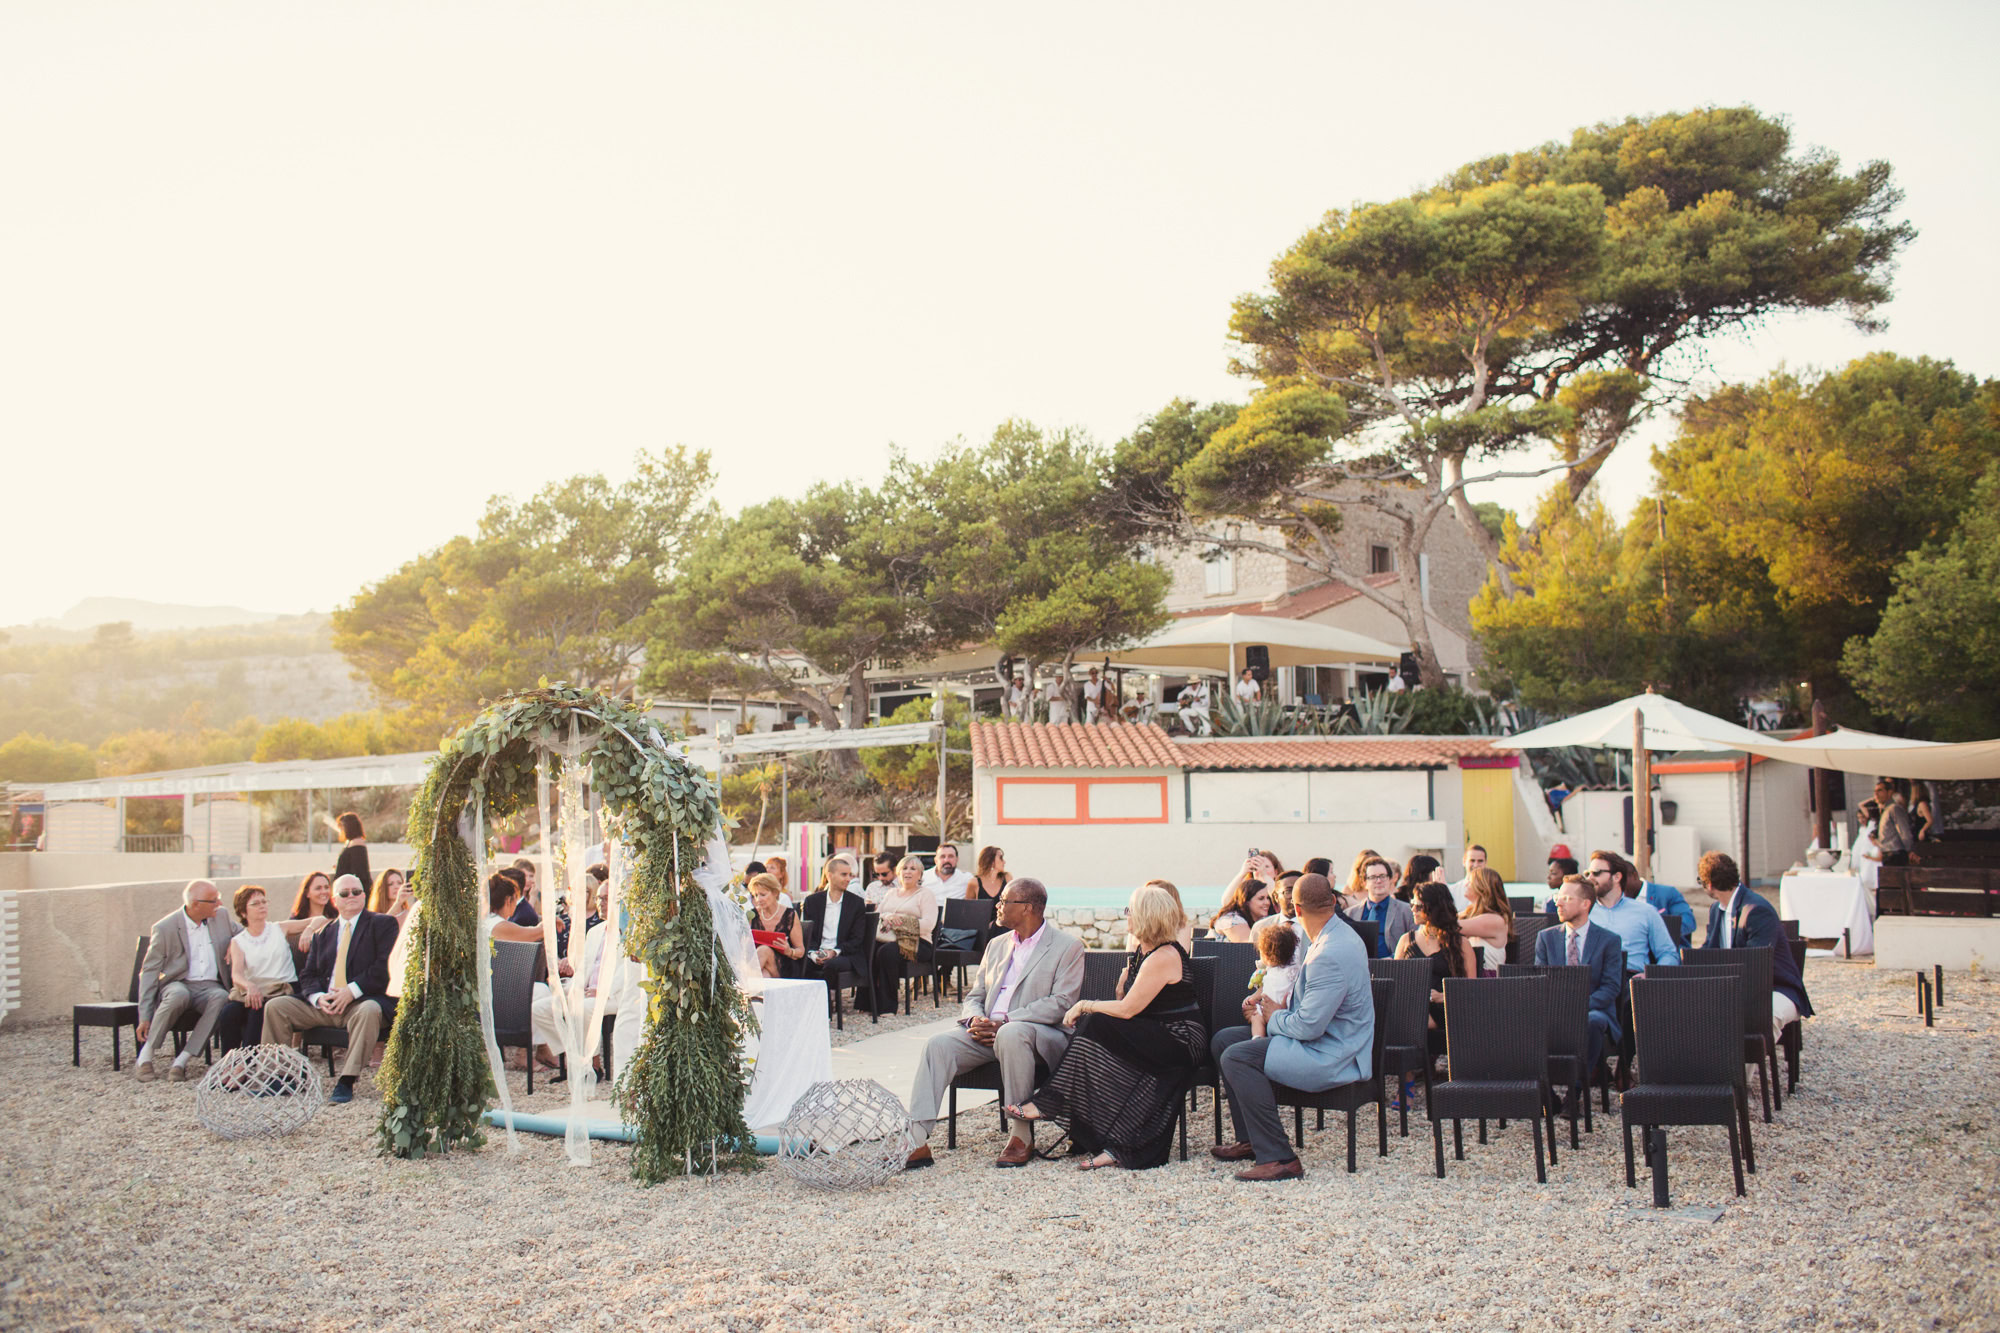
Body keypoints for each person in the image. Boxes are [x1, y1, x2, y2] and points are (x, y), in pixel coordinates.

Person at [1007, 884, 1207, 1170]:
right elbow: (1127, 1003)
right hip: (1153, 1030)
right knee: (1096, 1036)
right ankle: (1094, 1134)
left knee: (1095, 1021)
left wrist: (1085, 1004)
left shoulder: (1164, 956)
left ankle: (1050, 1102)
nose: (1126, 916)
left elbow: (1127, 1010)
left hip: (1180, 1040)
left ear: (1146, 916)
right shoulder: (1143, 951)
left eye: (1130, 911)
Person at [904, 878, 1085, 1170]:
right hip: (987, 1034)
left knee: (1012, 1034)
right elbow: (975, 995)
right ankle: (916, 1140)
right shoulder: (996, 944)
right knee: (938, 1044)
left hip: (1037, 1036)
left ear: (1027, 908)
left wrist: (1005, 1021)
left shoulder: (1067, 947)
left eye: (1003, 901)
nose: (997, 906)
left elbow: (1062, 1003)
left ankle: (1020, 1135)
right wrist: (975, 1018)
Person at [1209, 874, 1373, 1182]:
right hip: (1321, 1037)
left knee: (1237, 1057)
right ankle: (1251, 1139)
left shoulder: (1330, 953)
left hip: (1331, 1052)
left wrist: (1272, 1016)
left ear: (1296, 909)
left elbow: (1309, 1026)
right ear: (1333, 902)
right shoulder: (1331, 934)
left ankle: (1280, 1157)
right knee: (1224, 1041)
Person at [258, 874, 400, 1104]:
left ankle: (347, 1080)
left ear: (364, 895)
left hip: (361, 1002)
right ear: (335, 900)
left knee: (369, 1010)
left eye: (356, 891)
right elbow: (308, 975)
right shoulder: (323, 933)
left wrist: (351, 991)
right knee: (276, 1006)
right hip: (326, 1004)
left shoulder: (382, 924)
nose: (351, 896)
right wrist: (317, 997)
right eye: (344, 893)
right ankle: (279, 1078)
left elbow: (383, 967)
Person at [133, 880, 239, 1082]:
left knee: (222, 997)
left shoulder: (221, 916)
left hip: (210, 986)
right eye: (213, 900)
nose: (219, 903)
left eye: (219, 898)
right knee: (178, 994)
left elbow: (244, 935)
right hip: (178, 983)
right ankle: (145, 1056)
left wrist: (234, 942)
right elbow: (149, 970)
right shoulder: (165, 928)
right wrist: (144, 1015)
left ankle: (182, 1060)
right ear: (195, 904)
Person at [1701, 851, 1813, 1027]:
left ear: (1709, 884)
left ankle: (1750, 1055)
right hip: (1732, 986)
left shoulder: (1756, 910)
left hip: (1775, 988)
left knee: (1763, 1016)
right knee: (1694, 1008)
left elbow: (1756, 963)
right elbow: (1708, 951)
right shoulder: (1716, 910)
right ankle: (1717, 1052)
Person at [477, 873, 567, 1072]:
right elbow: (531, 934)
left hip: (492, 989)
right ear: (508, 900)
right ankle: (525, 1053)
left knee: (540, 992)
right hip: (493, 996)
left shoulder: (488, 922)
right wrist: (550, 923)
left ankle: (539, 1049)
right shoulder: (497, 925)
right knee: (542, 994)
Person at [1534, 873, 1621, 1072]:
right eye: (1558, 898)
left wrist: (1577, 1006)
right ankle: (1545, 1094)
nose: (1559, 904)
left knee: (1594, 1021)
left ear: (1585, 904)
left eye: (1567, 898)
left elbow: (1611, 987)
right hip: (1552, 1009)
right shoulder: (1546, 938)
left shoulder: (1609, 940)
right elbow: (1539, 981)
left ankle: (1576, 1088)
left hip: (1592, 1010)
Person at [1394, 882, 1480, 1044]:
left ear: (1433, 908)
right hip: (1413, 1007)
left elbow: (1472, 990)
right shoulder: (1406, 941)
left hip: (1448, 1008)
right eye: (1412, 904)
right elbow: (1397, 983)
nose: (1413, 909)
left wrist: (1443, 997)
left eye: (1418, 906)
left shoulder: (1460, 944)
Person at [217, 884, 295, 1053]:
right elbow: (236, 975)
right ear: (243, 912)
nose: (262, 906)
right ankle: (228, 1064)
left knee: (257, 1012)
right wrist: (250, 986)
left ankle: (245, 1066)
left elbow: (321, 920)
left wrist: (310, 929)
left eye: (264, 901)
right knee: (229, 1013)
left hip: (279, 990)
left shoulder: (279, 928)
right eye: (256, 903)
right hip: (253, 992)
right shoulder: (238, 941)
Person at [1587, 850, 1680, 974]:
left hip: (1631, 980)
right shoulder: (1584, 910)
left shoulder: (1645, 911)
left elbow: (1668, 954)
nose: (1590, 878)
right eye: (1587, 873)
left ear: (1617, 877)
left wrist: (1649, 976)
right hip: (1594, 981)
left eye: (1596, 873)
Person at [868, 855, 938, 1015]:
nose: (908, 872)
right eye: (904, 868)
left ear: (920, 874)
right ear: (898, 873)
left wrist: (903, 922)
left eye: (913, 869)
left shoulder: (925, 894)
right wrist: (888, 917)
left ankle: (888, 1006)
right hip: (889, 937)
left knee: (886, 953)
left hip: (919, 942)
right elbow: (877, 915)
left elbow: (929, 923)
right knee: (870, 949)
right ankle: (868, 1003)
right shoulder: (891, 893)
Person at [801, 854, 872, 986]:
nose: (848, 879)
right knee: (796, 963)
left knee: (831, 964)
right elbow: (807, 934)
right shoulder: (812, 901)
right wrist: (813, 954)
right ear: (829, 875)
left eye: (850, 875)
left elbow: (857, 939)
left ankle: (829, 1001)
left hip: (845, 954)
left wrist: (834, 952)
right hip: (818, 952)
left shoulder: (856, 903)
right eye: (844, 875)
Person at [1345, 855, 1414, 959]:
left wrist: (1393, 958)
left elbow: (1415, 946)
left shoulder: (1407, 911)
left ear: (1390, 879)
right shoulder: (1349, 914)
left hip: (1394, 969)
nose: (1378, 881)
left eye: (1382, 876)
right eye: (1373, 877)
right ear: (1364, 883)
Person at [1620, 859, 1697, 945]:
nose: (1619, 887)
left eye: (1622, 882)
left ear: (1634, 876)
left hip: (1667, 950)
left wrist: (1655, 931)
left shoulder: (1667, 894)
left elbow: (1688, 922)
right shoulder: (1617, 901)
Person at [1458, 866, 1516, 974]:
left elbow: (1450, 925)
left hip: (1488, 984)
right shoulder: (1469, 913)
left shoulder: (1496, 920)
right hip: (1469, 979)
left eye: (1469, 882)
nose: (1465, 885)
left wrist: (1441, 894)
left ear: (1481, 888)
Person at [748, 873, 805, 979]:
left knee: (764, 950)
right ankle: (756, 992)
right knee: (764, 974)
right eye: (755, 895)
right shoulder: (753, 914)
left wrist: (789, 951)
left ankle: (744, 984)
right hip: (761, 966)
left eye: (762, 894)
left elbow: (800, 951)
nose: (758, 899)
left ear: (775, 893)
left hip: (784, 967)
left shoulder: (789, 914)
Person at [1210, 863, 1278, 943]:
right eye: (1261, 899)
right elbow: (1248, 946)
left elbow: (1280, 901)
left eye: (1268, 898)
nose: (1267, 902)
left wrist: (1265, 876)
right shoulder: (1231, 919)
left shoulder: (1261, 919)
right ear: (1246, 901)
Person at [283, 871, 338, 957]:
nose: (324, 891)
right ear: (307, 893)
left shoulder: (336, 916)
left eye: (326, 887)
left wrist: (310, 930)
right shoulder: (296, 920)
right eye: (318, 888)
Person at [1254, 920, 1301, 1005]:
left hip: (1270, 1009)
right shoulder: (1297, 969)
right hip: (1290, 1010)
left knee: (1254, 1014)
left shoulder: (1271, 976)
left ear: (1266, 956)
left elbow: (1266, 996)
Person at [1874, 781, 1914, 867]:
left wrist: (1909, 851)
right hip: (1887, 854)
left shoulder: (1894, 808)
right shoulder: (1885, 810)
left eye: (1880, 790)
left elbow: (1904, 832)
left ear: (1889, 792)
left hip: (1896, 855)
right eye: (1875, 791)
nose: (1876, 794)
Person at [333, 812, 371, 899]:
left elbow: (359, 872)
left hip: (352, 893)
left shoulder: (357, 844)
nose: (340, 831)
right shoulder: (351, 843)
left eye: (341, 828)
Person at [1850, 799, 1883, 897]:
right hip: (1867, 852)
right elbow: (1860, 804)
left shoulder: (1875, 823)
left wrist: (1875, 799)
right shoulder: (1869, 824)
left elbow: (1861, 804)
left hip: (1872, 852)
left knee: (1871, 877)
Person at [1447, 844, 1487, 911]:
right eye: (1472, 861)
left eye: (1480, 861)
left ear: (1486, 862)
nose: (1476, 865)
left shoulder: (1492, 890)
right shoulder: (1452, 890)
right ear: (1464, 862)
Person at [507, 860, 540, 927]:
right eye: (524, 876)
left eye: (531, 876)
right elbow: (523, 918)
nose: (527, 880)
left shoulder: (538, 895)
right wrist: (532, 899)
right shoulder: (509, 897)